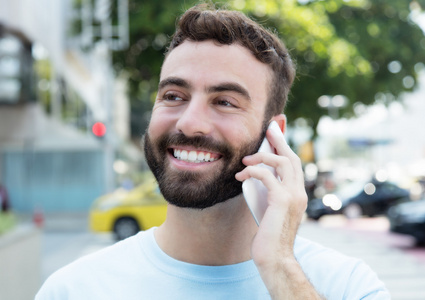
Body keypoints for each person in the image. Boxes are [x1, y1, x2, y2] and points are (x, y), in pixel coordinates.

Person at [36, 3, 390, 299]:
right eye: (173, 96)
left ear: (274, 135)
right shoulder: (72, 290)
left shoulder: (348, 287)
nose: (190, 124)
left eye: (224, 101)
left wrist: (281, 268)